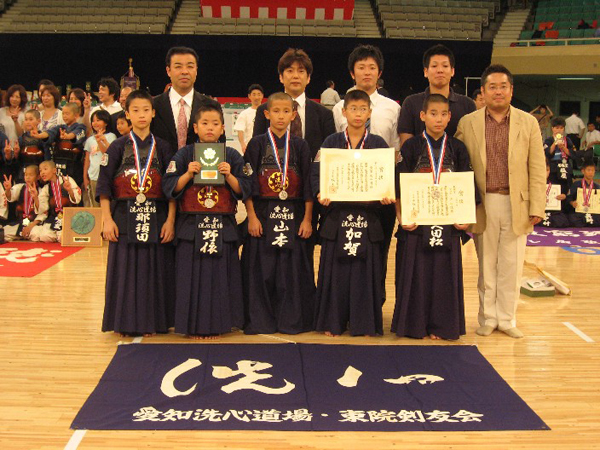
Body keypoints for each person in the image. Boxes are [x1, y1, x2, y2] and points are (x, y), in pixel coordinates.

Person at [455, 64, 546, 339]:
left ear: (511, 90)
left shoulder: (528, 123)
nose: (498, 91)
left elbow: (538, 168)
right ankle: (488, 317)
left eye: (503, 86)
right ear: (482, 91)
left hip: (516, 202)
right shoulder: (468, 122)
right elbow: (458, 165)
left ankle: (507, 318)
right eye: (492, 87)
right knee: (487, 264)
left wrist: (537, 206)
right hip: (483, 202)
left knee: (512, 264)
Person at [163, 100, 251, 339]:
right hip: (191, 225)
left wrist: (229, 175)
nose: (210, 128)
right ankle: (191, 326)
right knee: (190, 277)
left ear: (224, 128)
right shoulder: (183, 155)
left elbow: (245, 189)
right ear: (195, 127)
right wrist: (188, 173)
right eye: (204, 123)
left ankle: (221, 324)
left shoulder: (231, 155)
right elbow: (169, 187)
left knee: (220, 278)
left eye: (215, 124)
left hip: (222, 224)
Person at [392, 94, 475, 341]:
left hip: (448, 224)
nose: (438, 119)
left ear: (450, 117)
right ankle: (413, 325)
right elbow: (398, 187)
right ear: (423, 116)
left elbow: (466, 185)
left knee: (443, 278)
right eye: (433, 114)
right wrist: (401, 217)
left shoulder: (458, 148)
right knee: (416, 276)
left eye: (443, 114)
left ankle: (442, 325)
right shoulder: (411, 147)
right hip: (416, 223)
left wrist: (466, 219)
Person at [96, 89, 176, 337]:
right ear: (127, 114)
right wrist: (107, 220)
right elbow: (104, 188)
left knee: (155, 271)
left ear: (153, 113)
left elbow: (172, 189)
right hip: (123, 218)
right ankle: (125, 322)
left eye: (146, 110)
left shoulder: (164, 147)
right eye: (135, 110)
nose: (141, 115)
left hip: (157, 217)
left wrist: (171, 221)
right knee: (126, 272)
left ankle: (155, 322)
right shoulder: (117, 147)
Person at [312, 89, 391, 337]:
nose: (358, 114)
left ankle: (364, 323)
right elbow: (317, 174)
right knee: (337, 272)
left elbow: (386, 178)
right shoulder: (331, 143)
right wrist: (320, 193)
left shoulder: (378, 144)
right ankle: (332, 322)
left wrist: (387, 194)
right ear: (343, 112)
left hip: (368, 219)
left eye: (363, 109)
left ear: (370, 112)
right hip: (337, 217)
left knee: (364, 272)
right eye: (353, 109)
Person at [332, 44, 400, 304]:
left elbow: (396, 151)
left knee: (378, 251)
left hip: (379, 194)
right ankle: (344, 305)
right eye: (361, 67)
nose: (367, 72)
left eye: (372, 67)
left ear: (379, 72)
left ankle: (373, 305)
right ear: (352, 73)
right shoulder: (339, 107)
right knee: (346, 249)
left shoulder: (392, 108)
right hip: (345, 195)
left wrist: (387, 189)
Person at [242, 92, 315, 334]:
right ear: (266, 114)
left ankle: (292, 321)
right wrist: (251, 216)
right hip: (263, 213)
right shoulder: (256, 144)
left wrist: (307, 219)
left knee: (290, 272)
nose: (281, 116)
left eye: (286, 111)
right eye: (276, 111)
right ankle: (261, 321)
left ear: (294, 115)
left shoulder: (301, 145)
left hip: (293, 213)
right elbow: (248, 182)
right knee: (263, 270)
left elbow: (308, 186)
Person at [253, 48, 335, 162]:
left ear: (308, 78)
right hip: (272, 177)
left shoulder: (324, 115)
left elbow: (330, 155)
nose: (295, 76)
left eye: (301, 71)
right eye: (290, 71)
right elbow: (256, 150)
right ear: (281, 77)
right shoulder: (264, 111)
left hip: (311, 177)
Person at [398, 44, 475, 148]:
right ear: (426, 72)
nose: (440, 70)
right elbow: (406, 146)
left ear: (452, 71)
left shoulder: (467, 105)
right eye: (434, 66)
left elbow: (472, 144)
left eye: (445, 66)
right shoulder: (411, 103)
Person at [153, 46, 222, 155]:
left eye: (190, 66)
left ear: (196, 70)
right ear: (168, 71)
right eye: (178, 67)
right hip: (161, 169)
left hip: (201, 169)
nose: (184, 72)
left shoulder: (211, 105)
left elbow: (220, 145)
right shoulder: (154, 105)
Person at [31, 102, 87, 188]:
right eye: (63, 113)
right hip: (59, 164)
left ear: (76, 115)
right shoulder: (60, 128)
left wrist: (68, 136)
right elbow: (49, 133)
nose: (64, 116)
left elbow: (76, 135)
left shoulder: (81, 127)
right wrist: (39, 135)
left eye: (67, 113)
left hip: (74, 166)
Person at [35, 160, 81, 242]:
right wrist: (35, 197)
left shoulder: (67, 180)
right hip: (55, 217)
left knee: (63, 237)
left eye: (45, 169)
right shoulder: (46, 188)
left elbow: (77, 200)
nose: (42, 173)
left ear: (54, 170)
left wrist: (69, 190)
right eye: (40, 170)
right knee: (45, 237)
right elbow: (42, 208)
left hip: (70, 216)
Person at [2, 165, 48, 241]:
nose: (28, 177)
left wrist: (30, 226)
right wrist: (7, 190)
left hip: (34, 224)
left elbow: (43, 213)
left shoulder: (42, 191)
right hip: (21, 222)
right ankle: (22, 236)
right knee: (4, 233)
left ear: (38, 177)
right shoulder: (20, 187)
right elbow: (10, 197)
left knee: (36, 235)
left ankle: (24, 236)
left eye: (31, 175)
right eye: (26, 175)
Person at [83, 110, 117, 207]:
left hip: (106, 176)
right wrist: (85, 177)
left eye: (98, 120)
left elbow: (108, 153)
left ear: (106, 122)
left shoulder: (111, 136)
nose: (95, 123)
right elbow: (87, 160)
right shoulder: (89, 140)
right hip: (93, 176)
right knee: (95, 205)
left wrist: (100, 140)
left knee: (107, 204)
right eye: (93, 121)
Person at [544, 117, 575, 202]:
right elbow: (547, 153)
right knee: (553, 189)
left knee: (565, 190)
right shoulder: (548, 140)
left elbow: (572, 154)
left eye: (561, 128)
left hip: (565, 167)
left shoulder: (567, 140)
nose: (559, 130)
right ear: (552, 128)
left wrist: (563, 147)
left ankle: (565, 208)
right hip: (553, 168)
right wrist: (555, 143)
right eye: (557, 128)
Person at [567, 158, 600, 227]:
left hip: (593, 211)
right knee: (572, 218)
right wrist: (572, 203)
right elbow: (569, 198)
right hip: (580, 212)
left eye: (593, 171)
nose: (591, 172)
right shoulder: (576, 184)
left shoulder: (597, 186)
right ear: (583, 171)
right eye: (588, 170)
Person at [233, 84, 264, 154]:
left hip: (265, 146)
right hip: (250, 147)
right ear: (249, 96)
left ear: (262, 96)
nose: (256, 97)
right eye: (254, 94)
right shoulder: (245, 113)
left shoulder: (267, 112)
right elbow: (240, 130)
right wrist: (243, 144)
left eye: (259, 94)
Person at [15, 110, 45, 181]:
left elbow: (46, 156)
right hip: (23, 172)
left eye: (31, 119)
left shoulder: (42, 137)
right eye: (26, 119)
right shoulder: (21, 138)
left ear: (39, 121)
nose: (28, 122)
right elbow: (18, 160)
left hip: (38, 172)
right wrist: (16, 153)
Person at [540, 159, 569, 228]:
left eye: (547, 170)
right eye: (543, 170)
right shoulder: (531, 185)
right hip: (537, 211)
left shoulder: (554, 186)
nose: (545, 172)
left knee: (563, 220)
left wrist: (563, 197)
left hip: (551, 211)